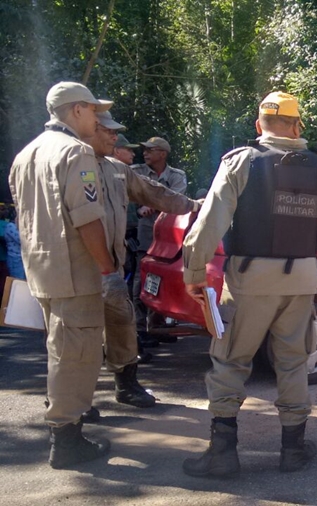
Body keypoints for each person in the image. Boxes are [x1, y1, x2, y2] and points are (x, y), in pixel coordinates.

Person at [180, 91, 317, 477]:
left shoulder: (241, 162)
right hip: (303, 280)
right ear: (297, 126)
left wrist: (193, 273)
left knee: (230, 361)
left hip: (249, 280)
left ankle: (222, 454)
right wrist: (313, 238)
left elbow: (209, 224)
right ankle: (293, 451)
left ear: (259, 126)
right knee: (293, 362)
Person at [9, 81, 117, 469]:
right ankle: (66, 441)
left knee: (60, 351)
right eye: (92, 110)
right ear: (75, 111)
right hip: (75, 272)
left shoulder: (25, 154)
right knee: (77, 356)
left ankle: (66, 429)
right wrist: (106, 264)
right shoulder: (76, 152)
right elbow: (87, 217)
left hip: (41, 270)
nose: (96, 117)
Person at [81, 110, 202, 416]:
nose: (114, 136)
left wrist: (194, 206)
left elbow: (156, 194)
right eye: (107, 130)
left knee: (122, 324)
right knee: (77, 337)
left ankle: (126, 385)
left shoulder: (117, 170)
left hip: (112, 268)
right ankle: (73, 402)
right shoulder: (69, 163)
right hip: (77, 269)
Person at [131, 136, 187, 343]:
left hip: (168, 239)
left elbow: (175, 199)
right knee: (141, 281)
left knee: (162, 281)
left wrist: (151, 205)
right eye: (144, 149)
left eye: (150, 150)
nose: (145, 153)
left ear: (162, 154)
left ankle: (157, 324)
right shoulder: (136, 172)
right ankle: (139, 329)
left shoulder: (177, 175)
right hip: (144, 235)